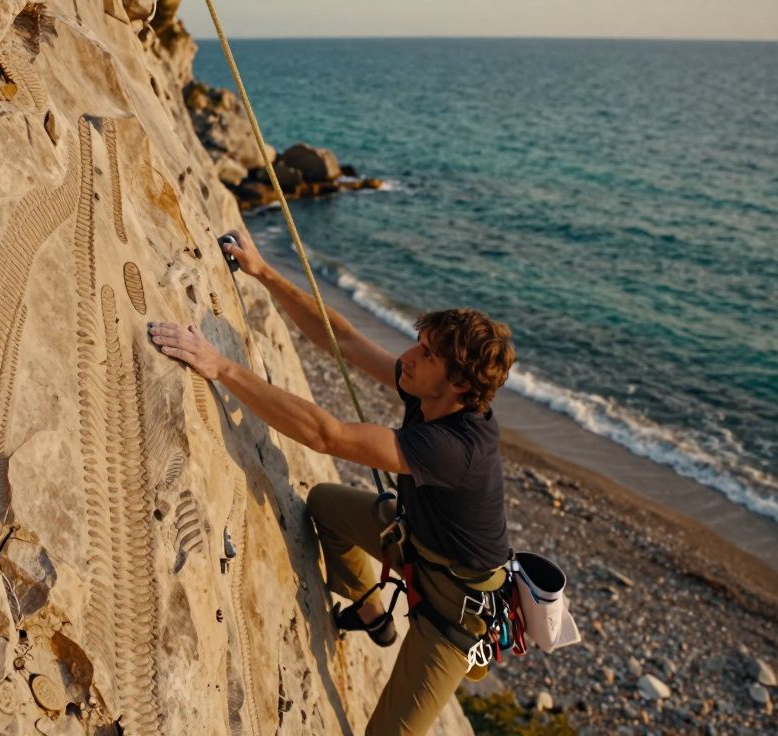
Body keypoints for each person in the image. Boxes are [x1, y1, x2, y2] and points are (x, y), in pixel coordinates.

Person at [147, 229, 516, 736]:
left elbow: (327, 435)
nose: (408, 356)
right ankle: (370, 611)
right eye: (420, 343)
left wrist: (221, 367)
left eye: (427, 354)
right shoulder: (430, 393)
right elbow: (340, 339)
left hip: (456, 611)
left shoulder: (456, 449)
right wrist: (263, 272)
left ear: (459, 386)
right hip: (417, 545)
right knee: (325, 503)